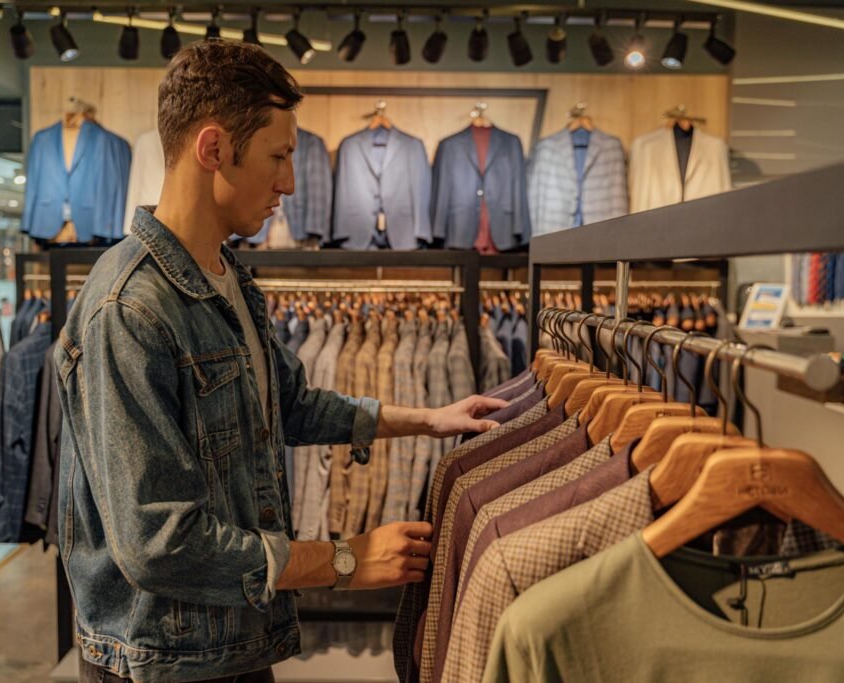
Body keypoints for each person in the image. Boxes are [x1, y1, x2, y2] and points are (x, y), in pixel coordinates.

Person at [55, 39, 507, 683]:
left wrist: (428, 419)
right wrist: (344, 561)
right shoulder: (128, 310)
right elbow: (158, 543)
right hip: (163, 662)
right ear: (213, 149)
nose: (290, 183)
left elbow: (287, 405)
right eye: (278, 156)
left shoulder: (225, 277)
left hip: (232, 640)